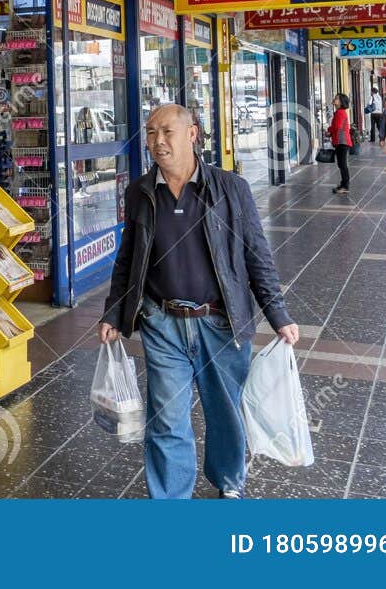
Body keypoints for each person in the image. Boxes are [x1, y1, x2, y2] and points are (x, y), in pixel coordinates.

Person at [98, 104, 299, 499]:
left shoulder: (229, 188)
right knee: (167, 419)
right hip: (162, 322)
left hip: (220, 323)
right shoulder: (140, 192)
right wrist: (114, 311)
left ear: (192, 134)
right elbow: (128, 258)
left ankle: (228, 479)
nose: (157, 141)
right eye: (151, 132)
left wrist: (279, 315)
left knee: (225, 414)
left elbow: (256, 254)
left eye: (167, 131)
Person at [329, 93, 353, 194]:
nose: (334, 99)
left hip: (342, 142)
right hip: (340, 141)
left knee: (342, 164)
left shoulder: (340, 113)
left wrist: (328, 130)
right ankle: (343, 184)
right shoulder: (339, 112)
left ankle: (345, 186)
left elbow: (337, 127)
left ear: (341, 102)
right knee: (341, 164)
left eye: (337, 98)